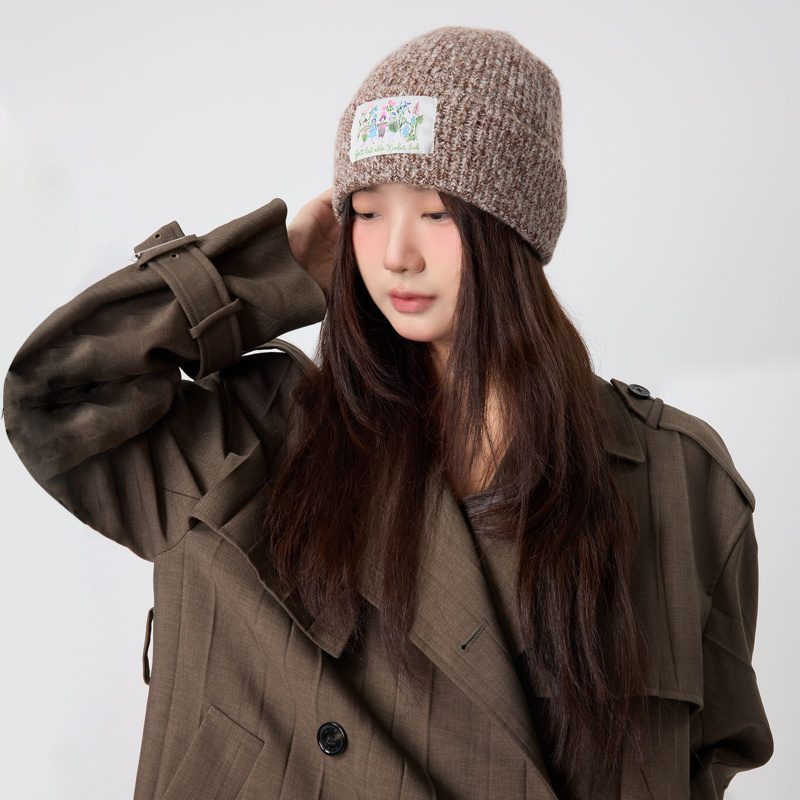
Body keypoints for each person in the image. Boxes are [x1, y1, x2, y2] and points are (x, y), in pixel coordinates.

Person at [3, 25, 773, 800]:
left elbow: (705, 757)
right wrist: (269, 272)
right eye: (367, 213)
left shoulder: (679, 478)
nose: (396, 253)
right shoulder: (261, 440)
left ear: (516, 227)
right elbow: (57, 396)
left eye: (436, 213)